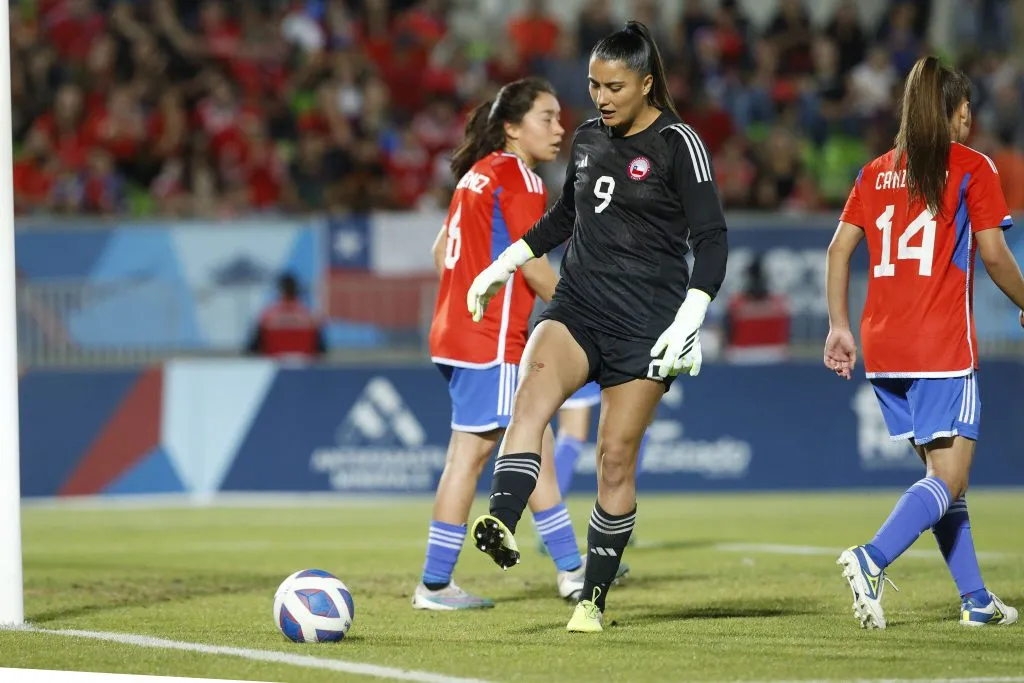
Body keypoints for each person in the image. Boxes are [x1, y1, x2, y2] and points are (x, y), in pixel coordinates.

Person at [464, 21, 728, 632]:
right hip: (578, 308)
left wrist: (691, 316)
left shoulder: (680, 143)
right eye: (593, 85)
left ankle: (592, 599)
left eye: (614, 87)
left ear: (646, 83)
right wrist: (504, 265)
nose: (600, 98)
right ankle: (502, 519)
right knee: (528, 405)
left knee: (614, 459)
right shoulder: (587, 137)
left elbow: (712, 239)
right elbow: (565, 216)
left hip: (646, 327)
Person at [825, 55, 1022, 630]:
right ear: (956, 112)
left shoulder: (875, 171)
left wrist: (838, 325)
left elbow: (838, 249)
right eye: (967, 110)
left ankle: (976, 600)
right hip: (940, 343)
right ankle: (872, 557)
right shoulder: (970, 165)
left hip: (884, 347)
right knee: (949, 478)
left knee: (943, 480)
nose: (969, 120)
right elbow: (994, 254)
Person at [416, 77, 609, 611]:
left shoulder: (476, 174)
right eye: (546, 117)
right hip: (492, 339)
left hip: (455, 332)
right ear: (512, 128)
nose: (559, 128)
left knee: (517, 445)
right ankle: (440, 583)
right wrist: (592, 317)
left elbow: (441, 254)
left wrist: (472, 289)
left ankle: (568, 569)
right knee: (500, 452)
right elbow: (534, 266)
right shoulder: (520, 178)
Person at [247, 273, 326, 359]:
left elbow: (254, 349)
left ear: (279, 291)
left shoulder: (267, 317)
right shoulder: (310, 317)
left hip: (274, 365)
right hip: (304, 365)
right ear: (297, 291)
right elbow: (320, 351)